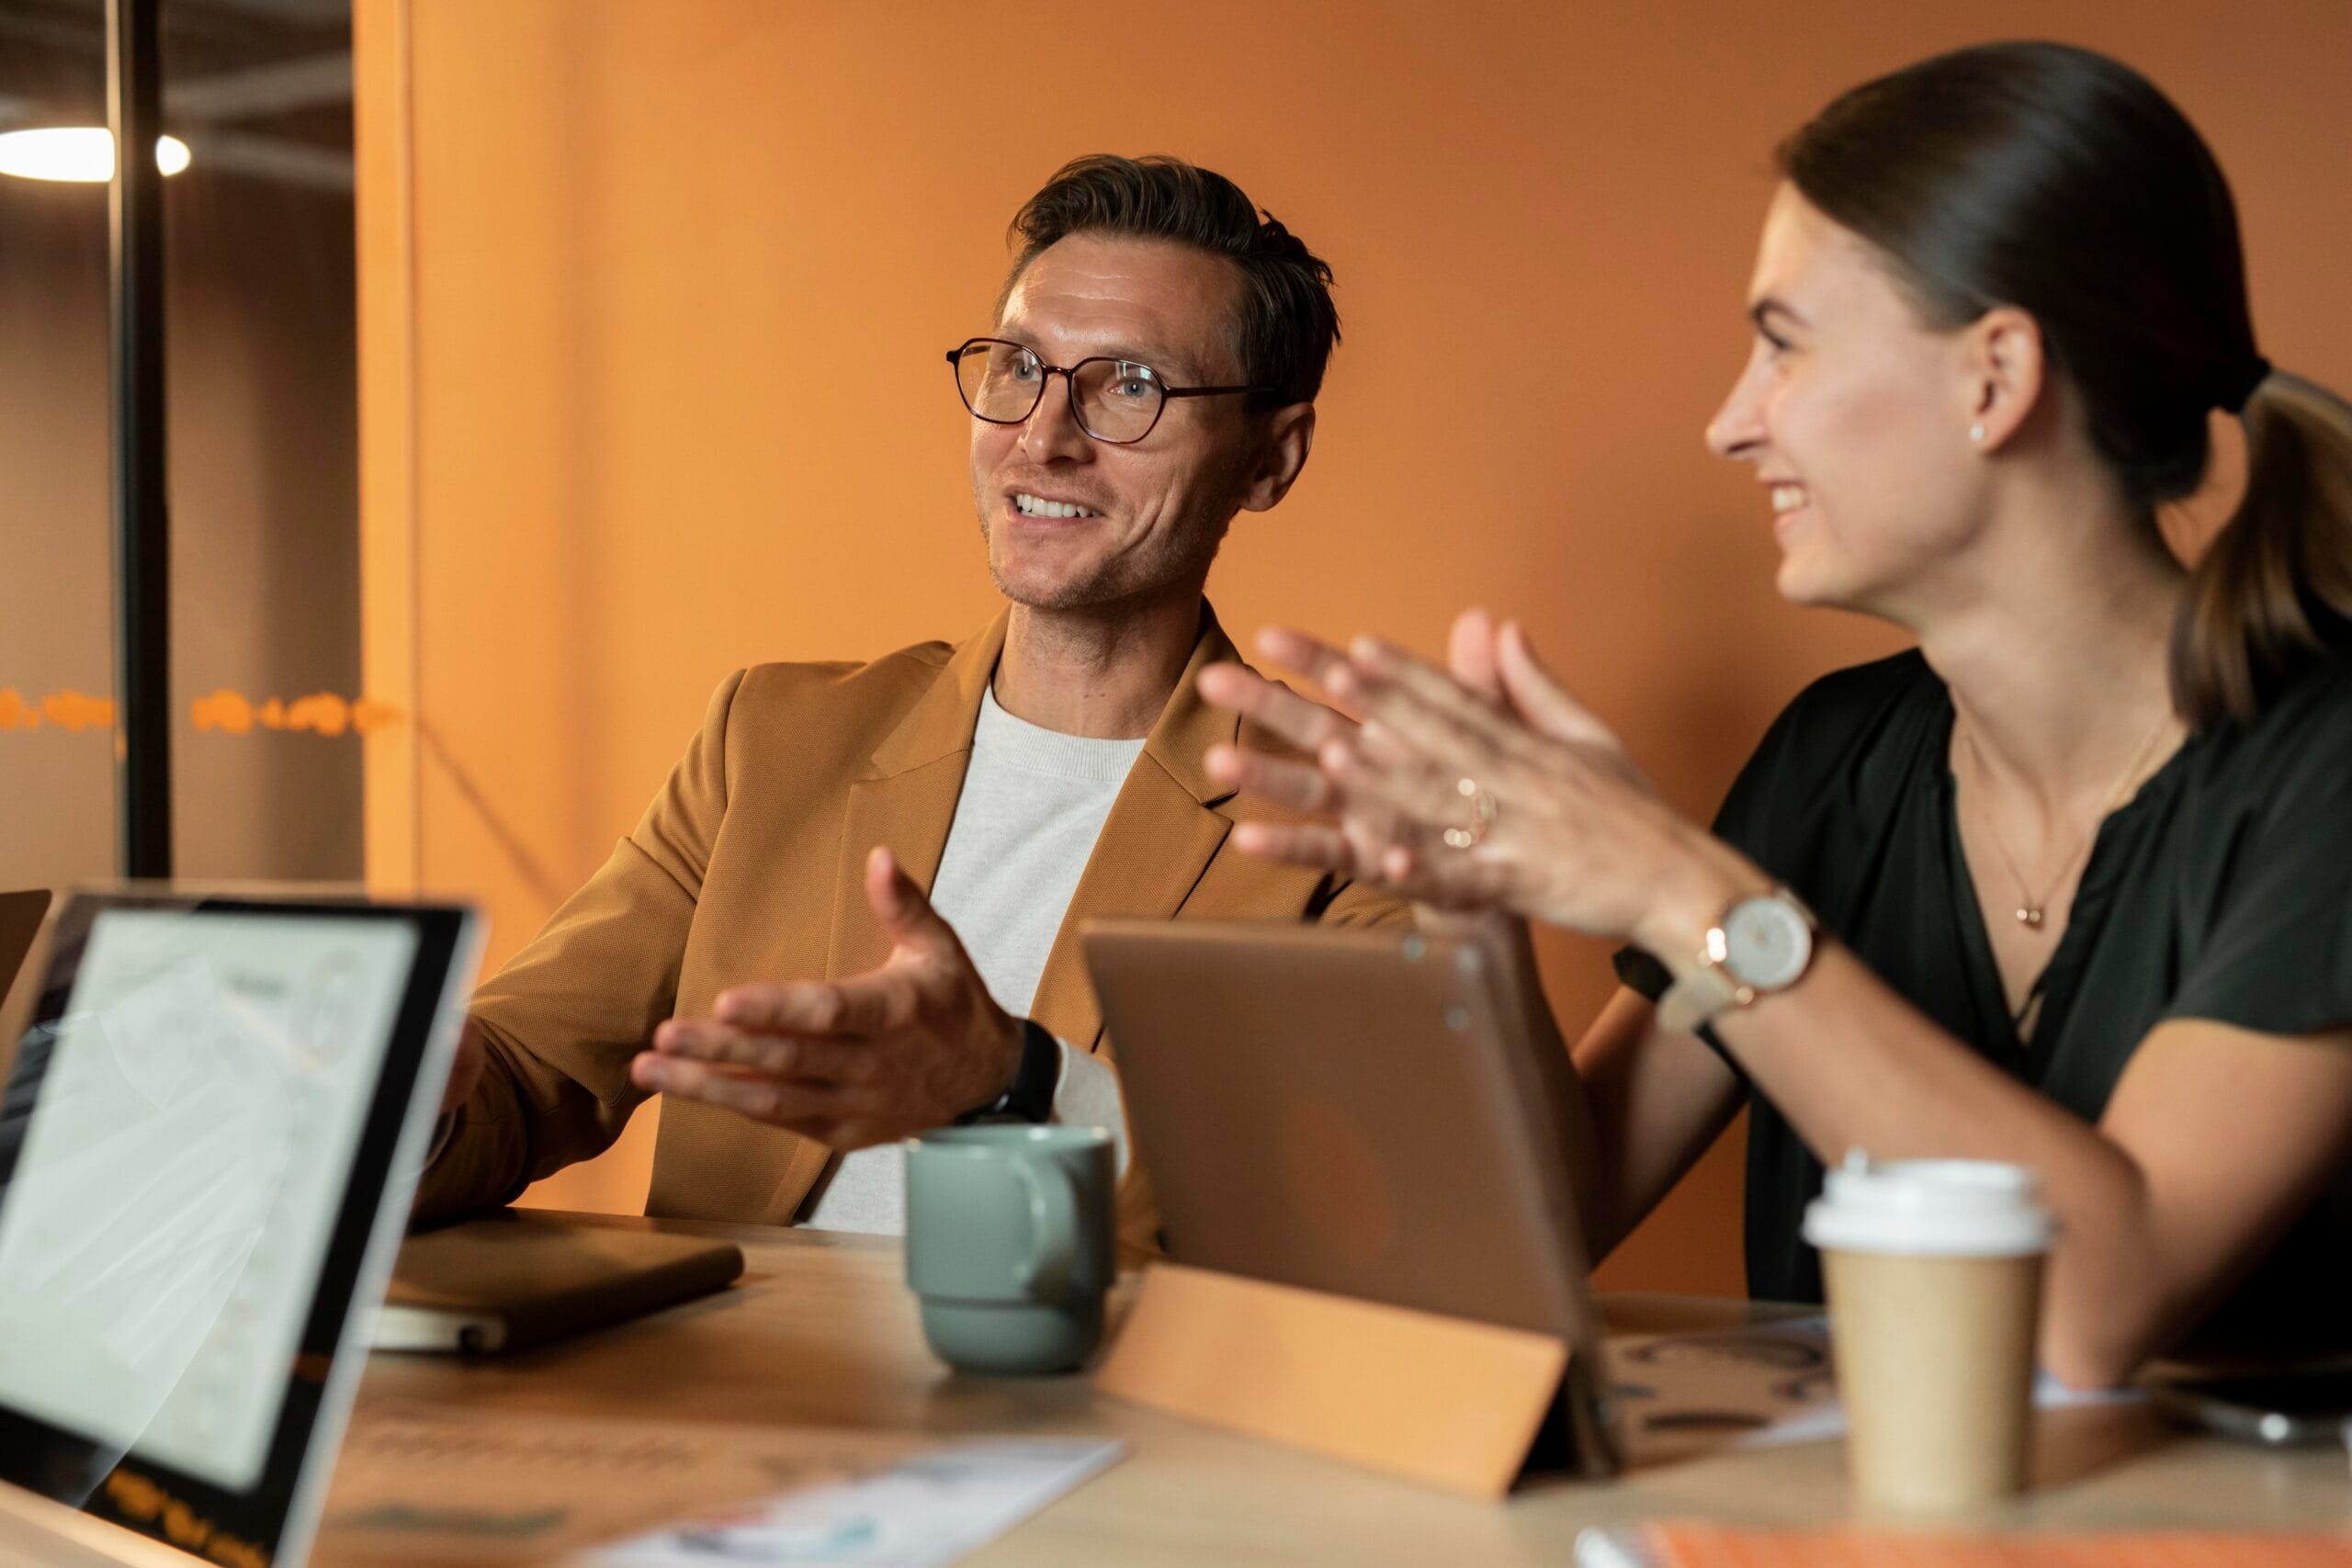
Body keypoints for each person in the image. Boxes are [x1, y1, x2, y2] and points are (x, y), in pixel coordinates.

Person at [1201, 41, 2352, 1387]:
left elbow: (2091, 1300)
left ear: (1996, 377)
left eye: (1784, 347)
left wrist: (1667, 877)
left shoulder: (2322, 767)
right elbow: (1562, 1211)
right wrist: (1482, 908)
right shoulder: (1834, 757)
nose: (1731, 424)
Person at [414, 154, 1406, 1249]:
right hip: (734, 1402)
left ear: (1271, 459)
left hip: (1100, 1412)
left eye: (1130, 385)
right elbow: (517, 1075)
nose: (1043, 437)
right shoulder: (772, 739)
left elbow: (1337, 1224)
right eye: (1020, 366)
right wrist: (405, 1093)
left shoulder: (1353, 824)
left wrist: (1014, 1083)